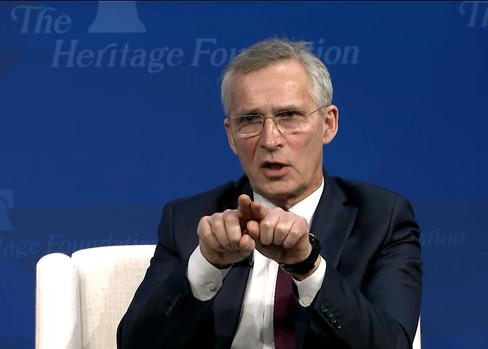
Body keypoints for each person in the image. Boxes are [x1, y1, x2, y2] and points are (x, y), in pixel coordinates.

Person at [116, 38, 422, 349]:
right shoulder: (189, 221)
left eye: (289, 116)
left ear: (328, 124)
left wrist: (308, 266)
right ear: (231, 136)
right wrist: (206, 264)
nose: (270, 139)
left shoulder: (382, 219)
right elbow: (134, 344)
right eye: (250, 120)